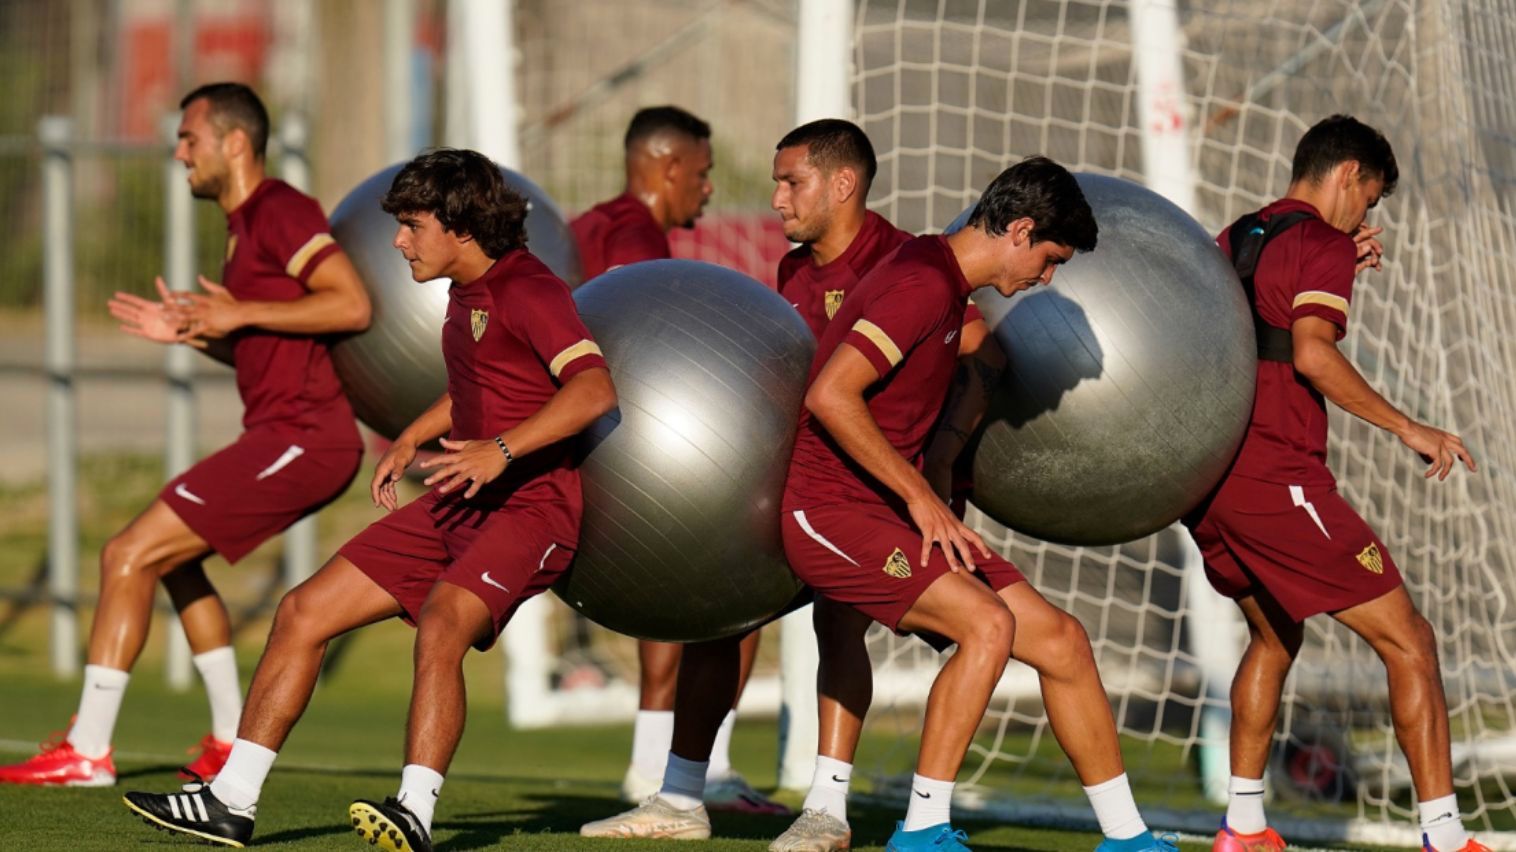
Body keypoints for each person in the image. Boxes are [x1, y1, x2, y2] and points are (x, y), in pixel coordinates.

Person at [120, 148, 617, 852]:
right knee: (302, 612)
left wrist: (501, 450)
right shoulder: (465, 292)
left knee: (442, 622)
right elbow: (489, 383)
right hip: (459, 501)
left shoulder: (531, 289)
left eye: (412, 225)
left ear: (460, 225)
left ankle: (413, 812)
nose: (397, 241)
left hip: (530, 509)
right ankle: (231, 800)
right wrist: (414, 433)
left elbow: (593, 390)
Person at [0, 82, 369, 789]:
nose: (178, 153)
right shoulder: (242, 230)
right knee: (169, 560)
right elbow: (263, 339)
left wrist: (237, 314)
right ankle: (230, 737)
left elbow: (351, 304)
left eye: (188, 138)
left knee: (126, 553)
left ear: (234, 142)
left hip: (307, 438)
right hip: (280, 433)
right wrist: (195, 333)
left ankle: (87, 749)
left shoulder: (280, 209)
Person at [1186, 115, 1485, 852]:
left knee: (1273, 638)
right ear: (1348, 173)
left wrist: (1336, 255)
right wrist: (1409, 427)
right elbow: (1313, 356)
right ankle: (1445, 837)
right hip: (1276, 477)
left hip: (1208, 478)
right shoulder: (1321, 243)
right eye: (1370, 199)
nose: (1366, 217)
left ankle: (1244, 828)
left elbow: (1259, 323)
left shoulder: (1238, 236)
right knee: (1411, 641)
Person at [569, 106, 781, 814]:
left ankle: (651, 767)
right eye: (703, 171)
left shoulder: (585, 232)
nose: (710, 188)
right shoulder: (637, 246)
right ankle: (701, 772)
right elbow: (644, 355)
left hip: (577, 453)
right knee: (729, 593)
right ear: (666, 168)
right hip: (626, 453)